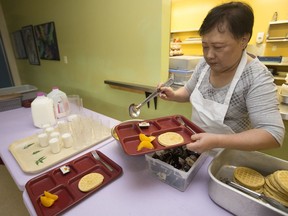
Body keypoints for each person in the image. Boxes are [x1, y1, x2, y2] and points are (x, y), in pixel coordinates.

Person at [159, 1, 285, 154]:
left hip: (227, 157)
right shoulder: (204, 64)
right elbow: (189, 90)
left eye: (218, 47)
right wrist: (174, 95)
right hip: (195, 150)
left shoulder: (256, 76)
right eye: (205, 46)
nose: (209, 55)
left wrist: (216, 141)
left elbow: (273, 133)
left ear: (243, 40)